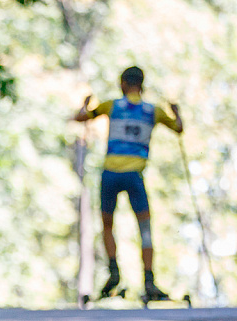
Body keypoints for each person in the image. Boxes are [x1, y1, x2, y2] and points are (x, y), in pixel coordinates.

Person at [74, 66, 183, 300]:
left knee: (106, 224)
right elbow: (179, 129)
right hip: (135, 176)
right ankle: (149, 281)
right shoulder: (152, 111)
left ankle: (114, 272)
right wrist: (176, 112)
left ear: (123, 84)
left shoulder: (112, 105)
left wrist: (85, 104)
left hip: (110, 174)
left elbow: (81, 117)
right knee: (144, 227)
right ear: (141, 85)